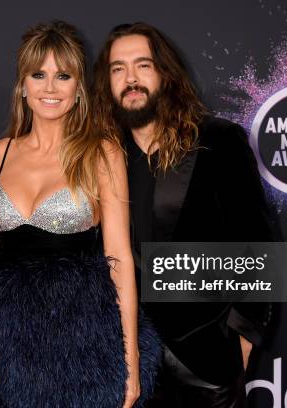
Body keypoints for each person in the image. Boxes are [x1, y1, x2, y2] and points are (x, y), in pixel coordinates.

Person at [0, 21, 161, 408]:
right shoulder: (0, 153)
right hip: (3, 345)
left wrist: (131, 361)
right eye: (38, 74)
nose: (50, 87)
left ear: (78, 89)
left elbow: (120, 260)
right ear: (23, 85)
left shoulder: (101, 152)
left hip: (80, 349)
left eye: (63, 75)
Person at [92, 22, 275, 407]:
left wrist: (241, 341)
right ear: (106, 83)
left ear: (165, 73)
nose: (131, 79)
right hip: (124, 362)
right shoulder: (100, 156)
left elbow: (258, 244)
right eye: (118, 68)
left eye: (143, 65)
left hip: (205, 359)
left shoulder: (218, 141)